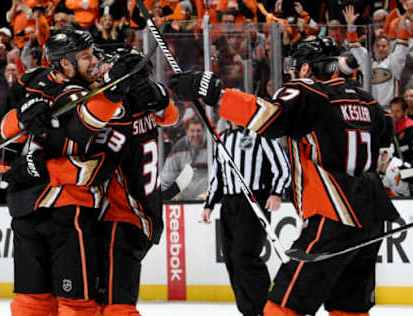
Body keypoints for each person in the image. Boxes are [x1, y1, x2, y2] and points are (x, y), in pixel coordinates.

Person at [168, 35, 400, 316]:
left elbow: (269, 117)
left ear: (305, 69)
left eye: (295, 66)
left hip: (334, 212)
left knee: (283, 307)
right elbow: (388, 137)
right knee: (349, 308)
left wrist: (217, 95)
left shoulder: (308, 92)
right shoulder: (368, 102)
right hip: (373, 216)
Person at [18, 47, 180, 315]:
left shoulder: (117, 111)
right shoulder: (144, 104)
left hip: (123, 217)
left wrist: (41, 158)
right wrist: (160, 95)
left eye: (106, 65)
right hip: (134, 216)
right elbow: (167, 113)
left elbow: (92, 152)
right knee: (102, 304)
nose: (98, 68)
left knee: (115, 309)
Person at [1, 29, 135, 316]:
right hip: (25, 207)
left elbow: (80, 130)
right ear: (64, 64)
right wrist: (21, 117)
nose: (93, 61)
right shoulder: (32, 79)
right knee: (30, 303)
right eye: (85, 56)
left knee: (77, 305)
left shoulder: (88, 93)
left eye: (93, 54)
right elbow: (2, 126)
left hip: (70, 208)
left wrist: (112, 94)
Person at [201, 121, 290, 316]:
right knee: (232, 259)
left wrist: (276, 192)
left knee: (244, 255)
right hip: (229, 204)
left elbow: (282, 165)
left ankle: (266, 307)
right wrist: (209, 204)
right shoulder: (222, 139)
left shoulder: (260, 134)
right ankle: (249, 310)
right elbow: (218, 175)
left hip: (253, 201)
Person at [161, 117, 208, 200]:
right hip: (183, 199)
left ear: (203, 131)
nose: (195, 134)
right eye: (192, 131)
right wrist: (167, 195)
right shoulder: (178, 148)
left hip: (205, 197)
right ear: (186, 131)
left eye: (198, 131)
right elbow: (168, 175)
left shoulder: (211, 146)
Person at [389, 97, 413, 166]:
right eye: (392, 111)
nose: (394, 115)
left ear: (405, 111)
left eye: (397, 111)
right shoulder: (390, 128)